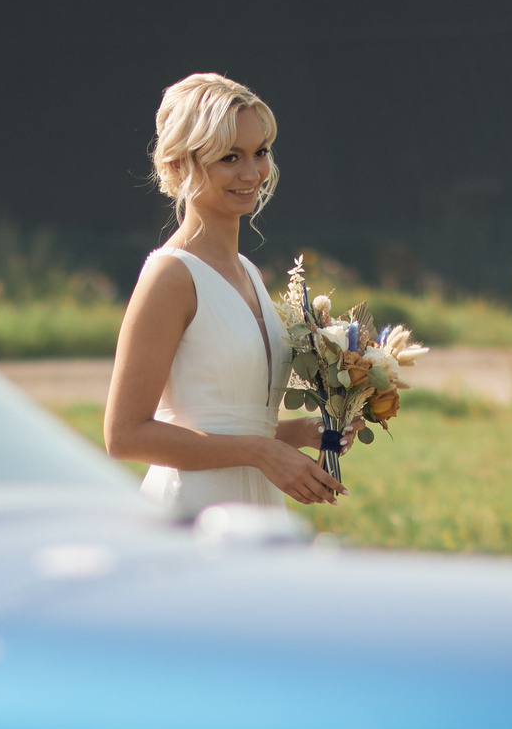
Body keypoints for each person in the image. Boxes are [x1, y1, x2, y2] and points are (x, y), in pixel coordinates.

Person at [105, 73, 341, 516]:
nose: (251, 173)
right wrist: (260, 453)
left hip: (258, 511)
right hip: (194, 514)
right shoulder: (170, 275)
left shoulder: (247, 271)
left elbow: (231, 422)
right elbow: (125, 435)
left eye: (260, 153)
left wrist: (306, 431)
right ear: (179, 166)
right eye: (229, 157)